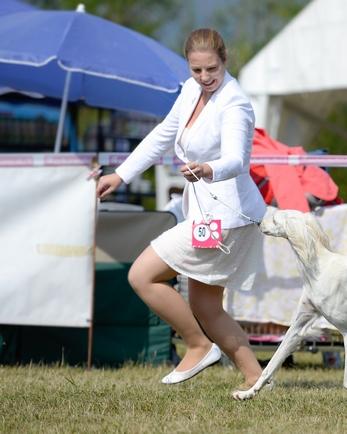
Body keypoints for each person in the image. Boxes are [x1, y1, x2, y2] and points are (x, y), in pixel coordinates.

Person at [96, 28, 266, 387]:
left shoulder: (235, 103)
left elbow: (237, 159)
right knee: (206, 306)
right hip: (208, 215)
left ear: (224, 62)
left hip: (227, 217)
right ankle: (256, 378)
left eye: (211, 71)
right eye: (196, 70)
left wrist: (208, 168)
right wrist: (121, 175)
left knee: (141, 275)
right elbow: (162, 134)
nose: (204, 78)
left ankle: (198, 345)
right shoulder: (191, 90)